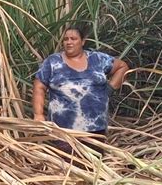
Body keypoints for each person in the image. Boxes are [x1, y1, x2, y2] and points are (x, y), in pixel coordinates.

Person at [32, 26, 128, 158]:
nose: (69, 42)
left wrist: (109, 89)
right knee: (69, 167)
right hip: (64, 130)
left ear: (82, 41)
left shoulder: (98, 59)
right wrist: (38, 114)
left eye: (73, 38)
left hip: (95, 128)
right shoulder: (53, 62)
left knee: (93, 165)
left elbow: (122, 67)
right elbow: (39, 86)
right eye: (66, 39)